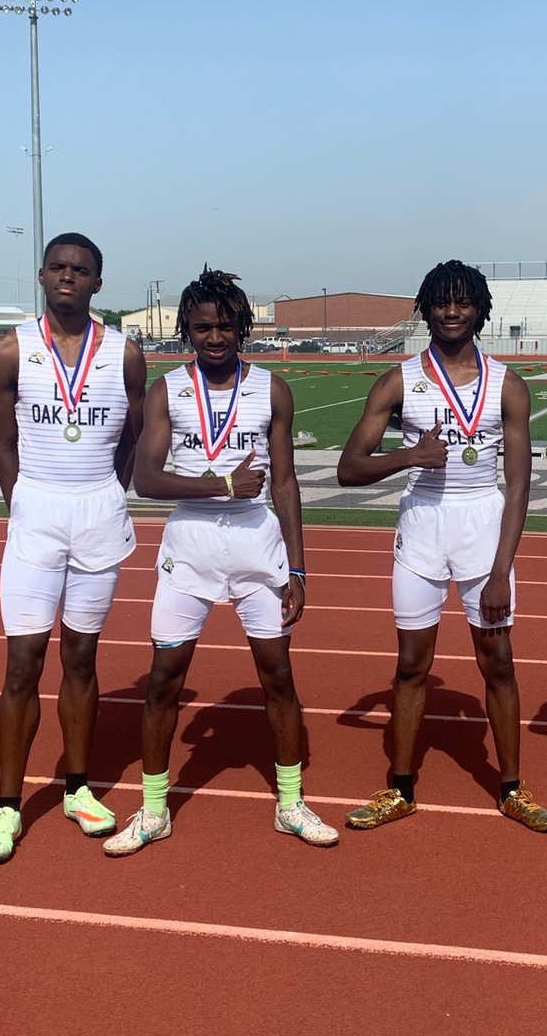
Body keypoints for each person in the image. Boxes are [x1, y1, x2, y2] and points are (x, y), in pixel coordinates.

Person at [103, 268, 337, 856]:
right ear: (187, 329)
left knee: (277, 676)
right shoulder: (167, 390)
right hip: (191, 548)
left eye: (225, 326)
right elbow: (146, 478)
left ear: (241, 328)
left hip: (259, 547)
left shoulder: (271, 389)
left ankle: (290, 802)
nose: (214, 337)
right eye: (203, 327)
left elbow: (284, 482)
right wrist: (220, 482)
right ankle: (154, 809)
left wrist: (299, 569)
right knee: (164, 681)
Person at [336, 260, 547, 834]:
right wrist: (408, 456)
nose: (452, 311)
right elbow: (349, 469)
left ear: (481, 309)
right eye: (441, 302)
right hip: (422, 529)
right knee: (412, 665)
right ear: (427, 309)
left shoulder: (507, 383)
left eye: (463, 302)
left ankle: (511, 788)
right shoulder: (398, 380)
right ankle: (401, 788)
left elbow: (518, 483)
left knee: (499, 662)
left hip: (484, 528)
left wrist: (502, 566)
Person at [0, 233, 147, 864]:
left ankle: (77, 789)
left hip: (99, 510)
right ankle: (7, 807)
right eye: (59, 268)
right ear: (41, 275)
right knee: (22, 664)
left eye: (82, 270)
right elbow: (2, 444)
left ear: (98, 283)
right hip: (36, 511)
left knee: (81, 657)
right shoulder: (7, 351)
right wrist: (23, 503)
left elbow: (131, 437)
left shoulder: (125, 353)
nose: (69, 277)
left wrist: (107, 491)